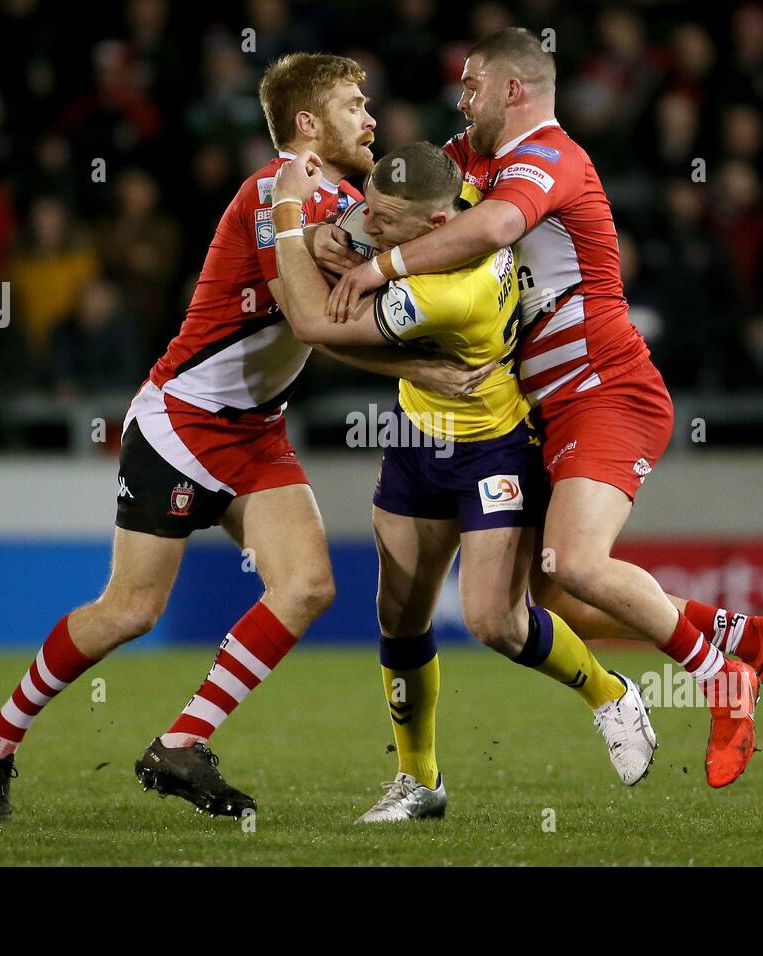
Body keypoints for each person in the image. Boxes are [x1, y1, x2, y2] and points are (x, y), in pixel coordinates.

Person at [0, 53, 488, 822]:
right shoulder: (270, 194)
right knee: (131, 610)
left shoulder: (340, 200)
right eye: (352, 103)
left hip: (255, 432)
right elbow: (314, 319)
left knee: (307, 586)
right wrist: (420, 367)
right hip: (181, 423)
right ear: (307, 124)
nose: (370, 118)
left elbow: (344, 302)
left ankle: (180, 742)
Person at [329, 29, 763, 788]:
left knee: (575, 562)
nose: (463, 97)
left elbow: (490, 227)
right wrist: (329, 226)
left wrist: (380, 265)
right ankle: (749, 638)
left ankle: (723, 679)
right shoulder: (470, 157)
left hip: (606, 391)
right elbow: (399, 195)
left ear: (514, 91)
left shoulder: (552, 157)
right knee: (556, 601)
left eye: (474, 85)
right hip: (543, 410)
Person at [270, 142, 657, 821]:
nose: (372, 224)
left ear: (431, 229)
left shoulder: (448, 289)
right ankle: (419, 781)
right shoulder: (462, 209)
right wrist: (350, 236)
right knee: (398, 615)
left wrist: (289, 216)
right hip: (417, 438)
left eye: (388, 221)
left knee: (493, 621)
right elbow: (376, 230)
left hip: (493, 449)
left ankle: (609, 694)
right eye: (373, 211)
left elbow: (310, 325)